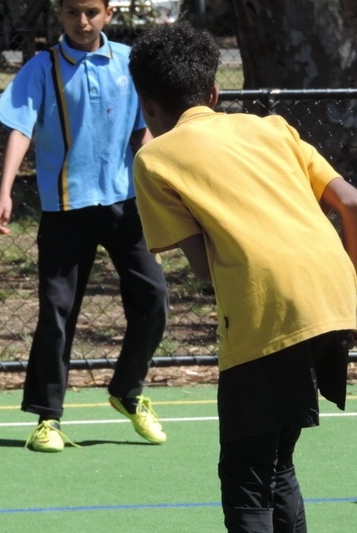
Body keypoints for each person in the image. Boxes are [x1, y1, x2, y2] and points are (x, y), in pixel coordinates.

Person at [129, 23, 357, 532]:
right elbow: (349, 201)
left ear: (146, 106)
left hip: (266, 306)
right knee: (276, 462)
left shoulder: (153, 159)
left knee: (247, 473)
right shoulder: (271, 127)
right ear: (214, 92)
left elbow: (206, 269)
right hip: (334, 293)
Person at [0, 0, 169, 452]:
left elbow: (143, 129)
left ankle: (127, 391)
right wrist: (6, 189)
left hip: (126, 205)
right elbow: (20, 127)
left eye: (91, 11)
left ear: (108, 12)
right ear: (59, 15)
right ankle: (47, 419)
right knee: (56, 312)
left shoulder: (131, 62)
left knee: (154, 298)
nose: (82, 21)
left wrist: (164, 177)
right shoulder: (41, 68)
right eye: (72, 12)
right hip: (66, 209)